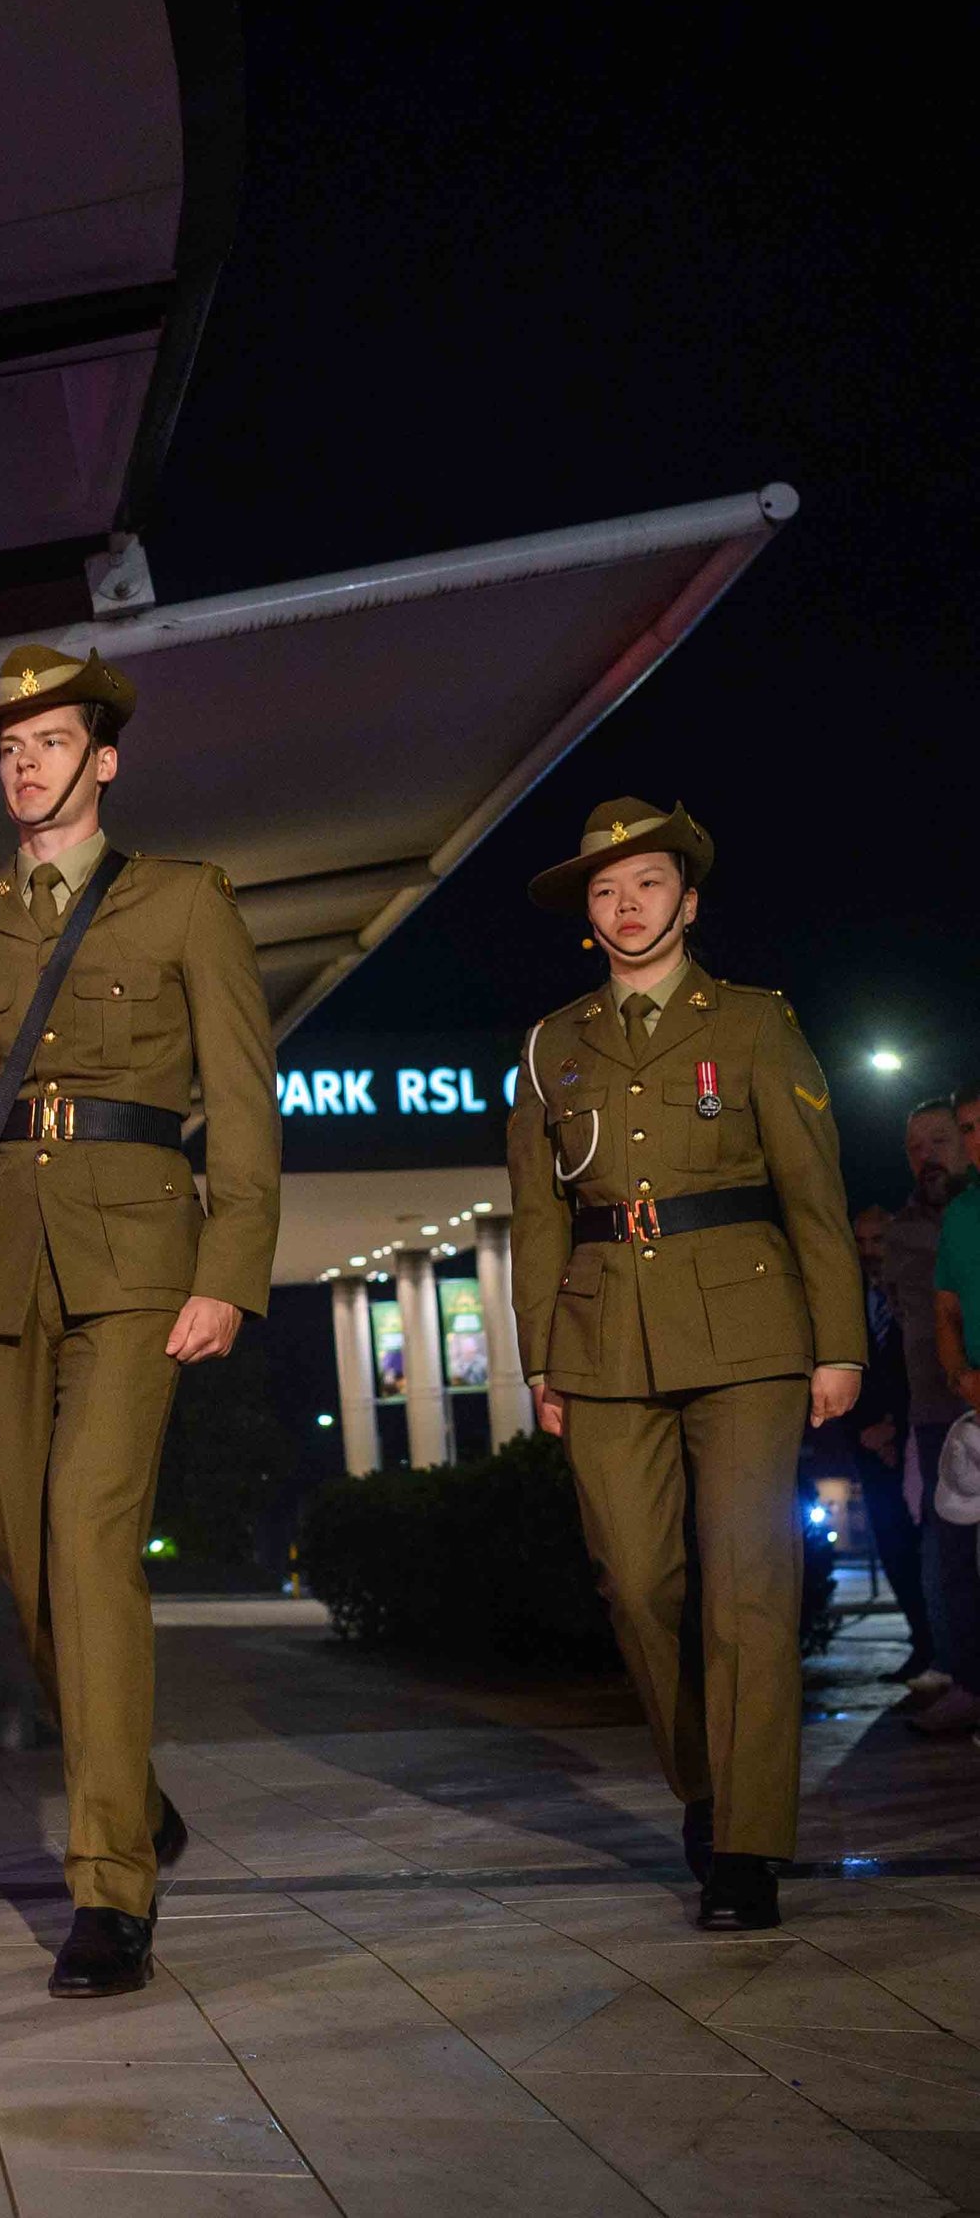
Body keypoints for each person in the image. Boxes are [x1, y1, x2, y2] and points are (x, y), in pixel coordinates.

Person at [0, 645, 280, 1998]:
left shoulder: (185, 902)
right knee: (21, 1555)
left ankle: (111, 1881)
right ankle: (137, 1792)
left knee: (88, 1540)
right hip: (1, 1255)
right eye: (9, 749)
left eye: (51, 742)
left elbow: (241, 1097)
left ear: (103, 758)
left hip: (136, 1256)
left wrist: (231, 1266)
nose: (26, 765)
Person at [507, 798, 863, 1932]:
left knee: (747, 1583)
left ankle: (746, 1841)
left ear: (689, 900)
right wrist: (539, 1360)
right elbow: (536, 1218)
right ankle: (705, 1784)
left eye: (648, 884)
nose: (626, 905)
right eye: (606, 891)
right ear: (588, 914)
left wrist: (838, 1342)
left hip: (749, 1330)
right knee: (638, 1581)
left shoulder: (754, 1021)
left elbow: (814, 1190)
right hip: (603, 1332)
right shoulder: (548, 1045)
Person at [894, 1095, 980, 1727]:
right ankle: (965, 1678)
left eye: (940, 1140)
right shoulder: (909, 1226)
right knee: (950, 1552)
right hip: (939, 1409)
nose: (927, 1155)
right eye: (914, 1147)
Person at [847, 1206, 932, 1678]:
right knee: (893, 1547)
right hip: (870, 1446)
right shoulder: (851, 1298)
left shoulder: (911, 1289)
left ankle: (943, 1648)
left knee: (929, 1548)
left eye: (877, 1241)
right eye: (861, 1243)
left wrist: (896, 1428)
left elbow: (920, 1363)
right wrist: (867, 1431)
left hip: (914, 1434)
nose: (869, 1253)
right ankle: (921, 1642)